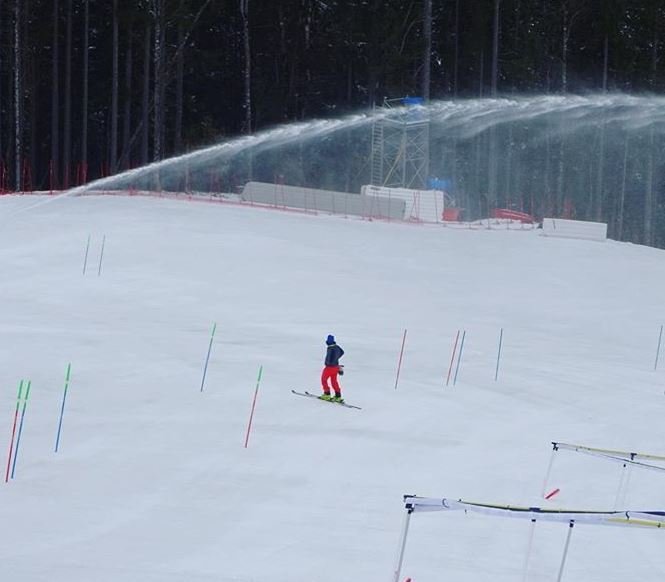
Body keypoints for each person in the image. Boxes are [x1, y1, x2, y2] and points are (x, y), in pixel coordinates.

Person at [320, 334, 344, 402]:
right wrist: (336, 358)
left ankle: (327, 394)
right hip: (336, 367)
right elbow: (342, 352)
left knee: (323, 380)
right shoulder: (337, 347)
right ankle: (338, 396)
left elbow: (328, 358)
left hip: (329, 367)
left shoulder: (330, 348)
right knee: (334, 381)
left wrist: (328, 363)